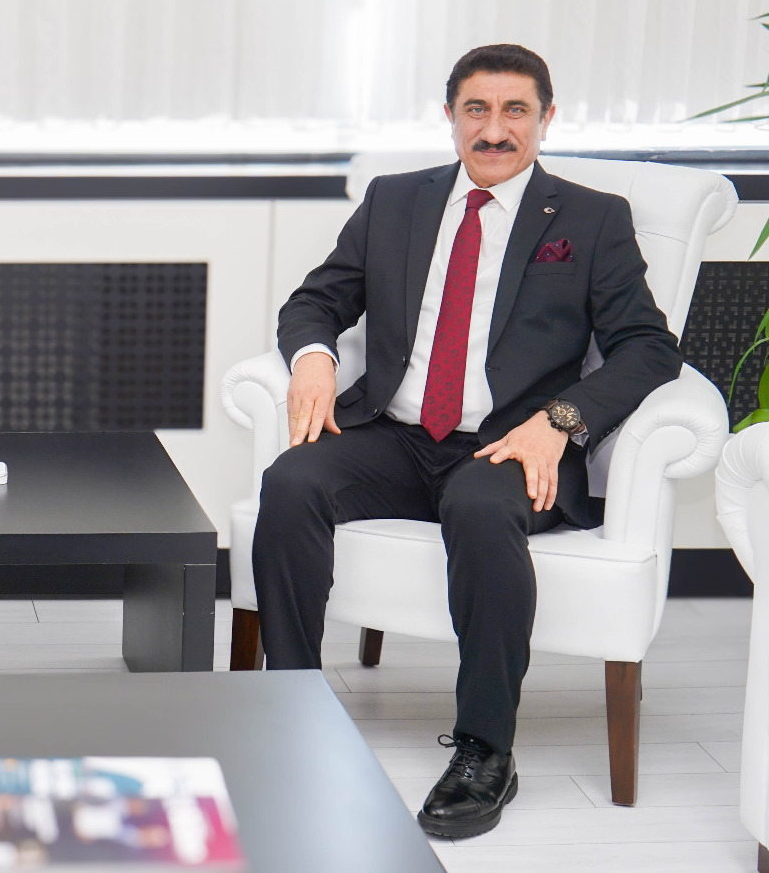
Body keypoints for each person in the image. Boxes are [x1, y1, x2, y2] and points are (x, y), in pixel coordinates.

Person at [253, 44, 681, 838]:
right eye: (476, 109)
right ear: (449, 116)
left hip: (507, 444)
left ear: (546, 119)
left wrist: (560, 423)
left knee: (481, 510)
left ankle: (486, 750)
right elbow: (317, 300)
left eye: (515, 110)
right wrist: (313, 357)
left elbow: (648, 348)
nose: (494, 129)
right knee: (291, 482)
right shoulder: (394, 200)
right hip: (394, 433)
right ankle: (292, 708)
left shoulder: (591, 218)